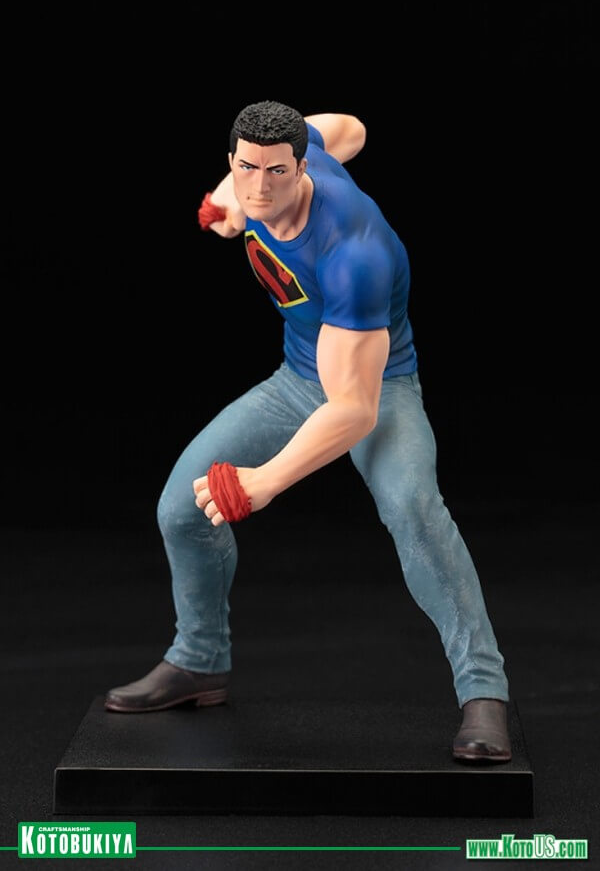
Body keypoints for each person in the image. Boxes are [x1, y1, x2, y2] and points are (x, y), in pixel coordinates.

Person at [105, 100, 512, 762]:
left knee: (414, 509)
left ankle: (484, 690)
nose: (260, 187)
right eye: (246, 168)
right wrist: (224, 200)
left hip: (376, 390)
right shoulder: (273, 167)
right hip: (296, 379)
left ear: (301, 170)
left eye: (276, 172)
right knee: (180, 509)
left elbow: (352, 410)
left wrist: (264, 481)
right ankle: (199, 661)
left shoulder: (356, 252)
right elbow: (352, 127)